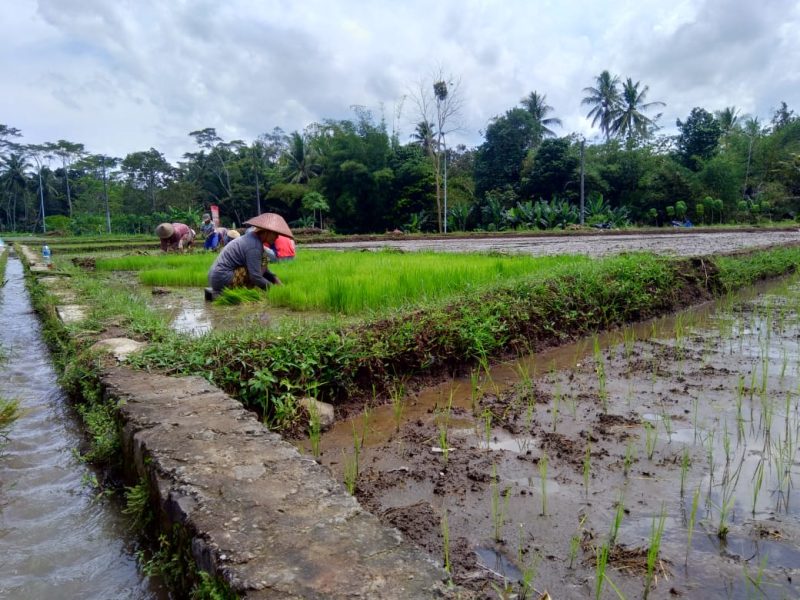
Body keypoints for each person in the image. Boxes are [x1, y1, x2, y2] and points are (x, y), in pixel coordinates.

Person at [208, 213, 294, 292]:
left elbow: (262, 268)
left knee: (262, 262)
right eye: (275, 234)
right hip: (222, 279)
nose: (277, 237)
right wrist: (274, 290)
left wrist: (274, 278)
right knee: (258, 269)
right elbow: (255, 277)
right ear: (267, 232)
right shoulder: (254, 246)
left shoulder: (252, 239)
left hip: (216, 277)